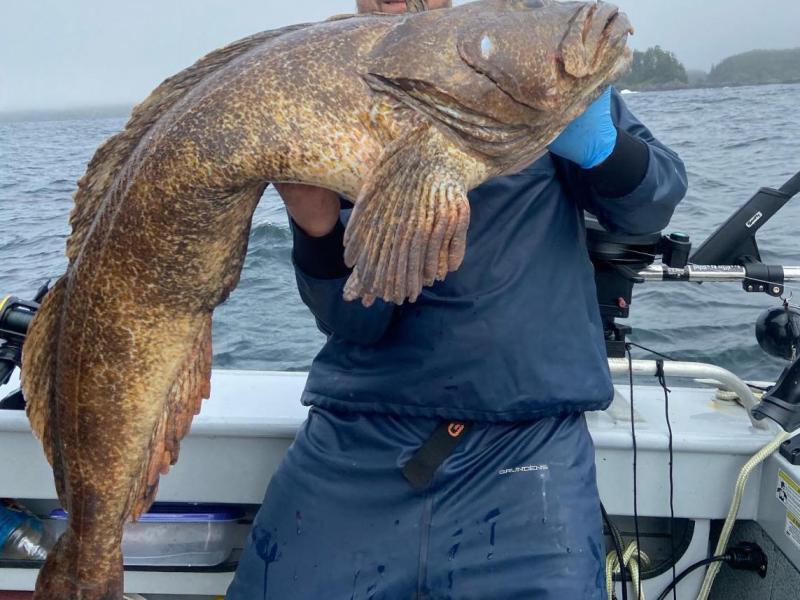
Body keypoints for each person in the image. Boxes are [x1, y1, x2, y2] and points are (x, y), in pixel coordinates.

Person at [227, 0, 688, 598]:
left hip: (529, 448)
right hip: (356, 442)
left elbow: (651, 205)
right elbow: (353, 321)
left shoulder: (523, 64)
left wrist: (602, 147)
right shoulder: (335, 102)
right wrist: (316, 229)